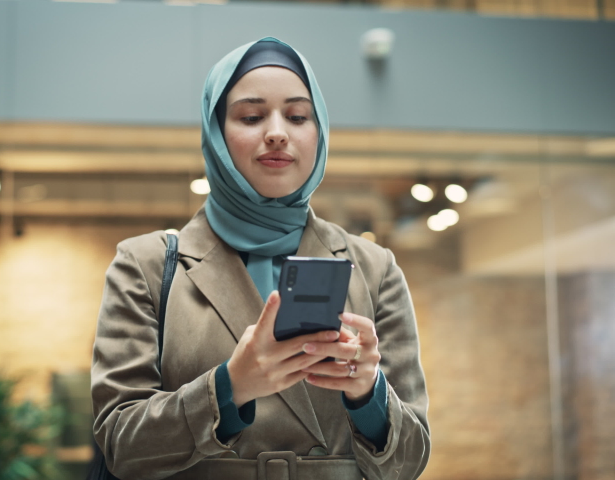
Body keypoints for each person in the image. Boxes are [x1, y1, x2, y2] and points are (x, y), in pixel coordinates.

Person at [91, 37, 429, 480]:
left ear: (319, 132)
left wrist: (370, 394)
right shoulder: (146, 265)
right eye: (251, 117)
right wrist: (231, 387)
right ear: (216, 132)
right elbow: (121, 445)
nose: (277, 133)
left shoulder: (374, 267)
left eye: (298, 116)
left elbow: (410, 461)